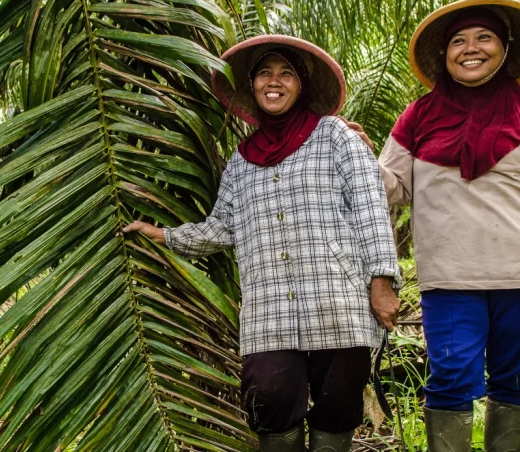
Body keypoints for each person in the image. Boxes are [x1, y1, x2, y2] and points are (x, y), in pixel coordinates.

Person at [122, 35, 400, 452]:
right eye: (264, 74)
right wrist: (165, 236)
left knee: (337, 406)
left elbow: (370, 206)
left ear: (301, 85)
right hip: (270, 308)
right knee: (269, 398)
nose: (275, 81)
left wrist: (382, 280)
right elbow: (223, 227)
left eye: (286, 73)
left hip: (338, 301)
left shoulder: (335, 136)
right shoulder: (241, 160)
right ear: (251, 86)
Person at [373, 0, 520, 451]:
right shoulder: (417, 116)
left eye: (484, 38)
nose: (470, 48)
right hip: (449, 276)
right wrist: (358, 158)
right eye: (458, 41)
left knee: (516, 376)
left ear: (504, 49)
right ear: (444, 55)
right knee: (450, 374)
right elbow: (391, 186)